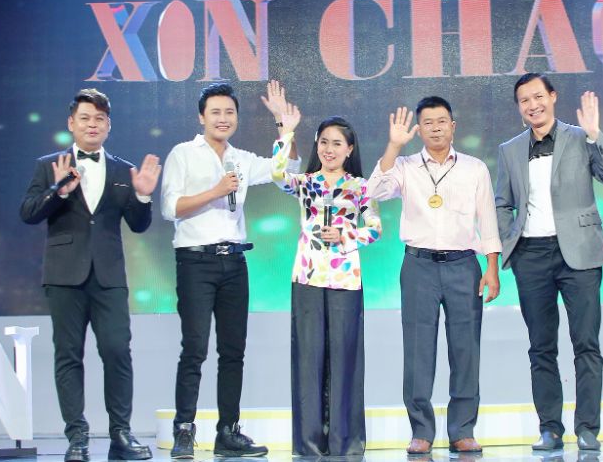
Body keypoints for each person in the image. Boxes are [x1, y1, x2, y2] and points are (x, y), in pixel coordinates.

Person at [20, 88, 161, 462]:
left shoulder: (123, 170)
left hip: (109, 276)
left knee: (117, 351)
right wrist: (58, 191)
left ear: (109, 125)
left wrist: (143, 196)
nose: (92, 125)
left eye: (99, 119)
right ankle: (77, 438)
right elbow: (29, 212)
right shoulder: (49, 165)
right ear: (71, 123)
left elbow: (139, 224)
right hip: (64, 275)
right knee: (68, 355)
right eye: (85, 118)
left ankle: (121, 434)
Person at [160, 81, 299, 459]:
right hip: (195, 261)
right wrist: (216, 190)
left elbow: (283, 171)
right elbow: (170, 208)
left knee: (233, 352)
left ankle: (228, 431)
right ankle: (184, 429)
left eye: (229, 112)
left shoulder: (241, 158)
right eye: (216, 112)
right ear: (201, 117)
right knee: (194, 349)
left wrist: (284, 129)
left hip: (234, 262)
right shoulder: (183, 154)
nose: (223, 118)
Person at [494, 73, 603, 452]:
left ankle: (587, 428)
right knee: (541, 347)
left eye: (538, 96)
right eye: (524, 100)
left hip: (579, 253)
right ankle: (550, 428)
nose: (532, 105)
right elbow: (502, 202)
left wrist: (596, 135)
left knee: (586, 343)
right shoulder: (509, 150)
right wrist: (511, 242)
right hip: (531, 257)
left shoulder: (580, 137)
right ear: (519, 107)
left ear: (552, 97)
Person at [368, 97, 501, 456]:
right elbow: (374, 191)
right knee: (418, 350)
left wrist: (491, 267)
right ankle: (421, 431)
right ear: (419, 130)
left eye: (442, 121)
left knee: (466, 350)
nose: (436, 128)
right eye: (428, 123)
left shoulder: (474, 168)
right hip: (419, 266)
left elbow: (488, 220)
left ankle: (463, 429)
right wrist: (393, 146)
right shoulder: (405, 166)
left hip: (464, 266)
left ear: (453, 126)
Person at [271, 109, 381, 456]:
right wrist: (286, 133)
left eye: (336, 144)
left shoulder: (361, 187)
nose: (328, 149)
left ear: (350, 149)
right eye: (323, 143)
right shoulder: (305, 183)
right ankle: (309, 445)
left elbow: (375, 229)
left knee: (345, 360)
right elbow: (277, 174)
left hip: (345, 279)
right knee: (308, 361)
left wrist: (346, 234)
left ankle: (345, 442)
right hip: (307, 275)